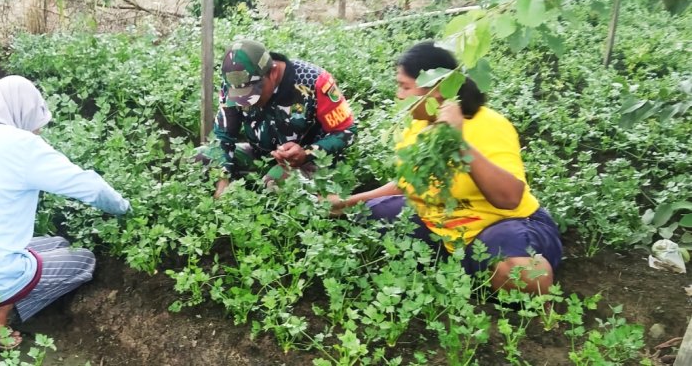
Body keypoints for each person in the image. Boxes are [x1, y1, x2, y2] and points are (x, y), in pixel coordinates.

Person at [328, 42, 562, 294]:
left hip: (497, 225)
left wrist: (458, 143)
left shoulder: (488, 124)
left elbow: (510, 198)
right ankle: (466, 273)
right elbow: (406, 187)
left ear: (436, 90)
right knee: (365, 216)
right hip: (440, 227)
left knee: (526, 274)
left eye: (405, 87)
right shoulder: (417, 126)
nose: (399, 96)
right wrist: (346, 203)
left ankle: (480, 274)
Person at [0, 76, 131, 351]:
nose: (38, 131)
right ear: (23, 111)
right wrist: (125, 209)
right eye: (37, 122)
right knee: (84, 260)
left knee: (59, 244)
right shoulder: (20, 144)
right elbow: (88, 186)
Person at [199, 38, 357, 198]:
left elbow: (347, 130)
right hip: (260, 154)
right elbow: (223, 137)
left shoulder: (314, 81)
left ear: (273, 73)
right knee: (201, 158)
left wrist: (307, 153)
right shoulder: (234, 84)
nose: (249, 102)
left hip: (308, 162)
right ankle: (242, 192)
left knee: (275, 183)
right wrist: (222, 176)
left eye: (253, 94)